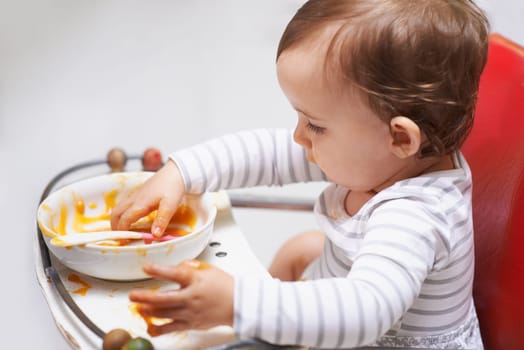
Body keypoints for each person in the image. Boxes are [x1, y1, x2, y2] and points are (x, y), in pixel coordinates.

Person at [111, 0, 490, 348]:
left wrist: (238, 302)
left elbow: (365, 311)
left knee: (301, 258)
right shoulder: (381, 156)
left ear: (400, 136)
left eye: (315, 125)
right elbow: (269, 153)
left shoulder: (414, 215)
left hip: (373, 334)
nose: (299, 136)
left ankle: (262, 325)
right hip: (354, 306)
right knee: (302, 249)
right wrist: (182, 172)